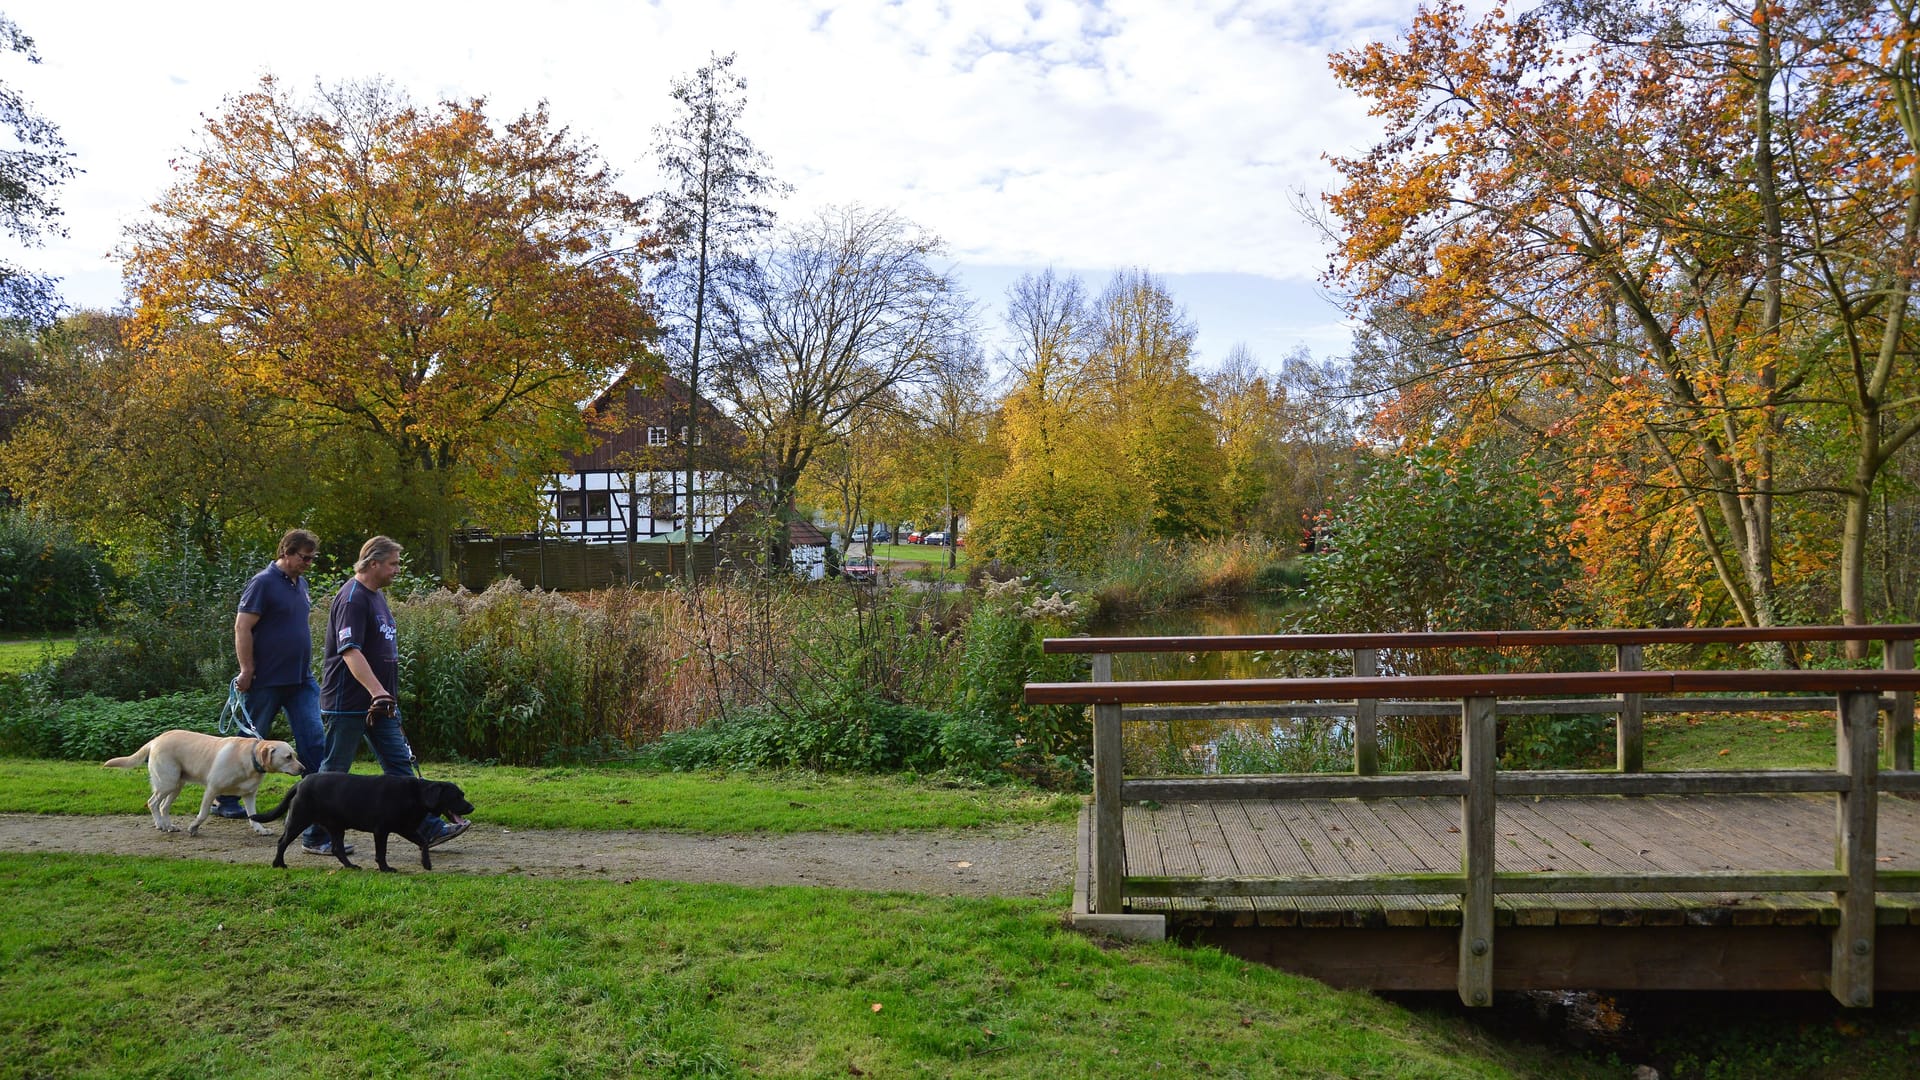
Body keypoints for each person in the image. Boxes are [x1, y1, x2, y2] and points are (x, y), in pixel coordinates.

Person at [317, 535, 469, 852]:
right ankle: (316, 836)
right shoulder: (353, 599)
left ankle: (428, 828)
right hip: (349, 703)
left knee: (401, 769)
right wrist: (377, 691)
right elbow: (350, 651)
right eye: (393, 564)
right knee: (334, 772)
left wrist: (386, 696)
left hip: (380, 704)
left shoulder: (376, 597)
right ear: (373, 563)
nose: (397, 570)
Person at [217, 529, 343, 852]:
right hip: (266, 681)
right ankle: (227, 798)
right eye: (305, 557)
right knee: (246, 744)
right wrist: (247, 669)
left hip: (301, 680)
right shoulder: (263, 583)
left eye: (312, 558)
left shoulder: (301, 585)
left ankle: (315, 802)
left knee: (314, 740)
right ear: (287, 552)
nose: (309, 564)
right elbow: (242, 626)